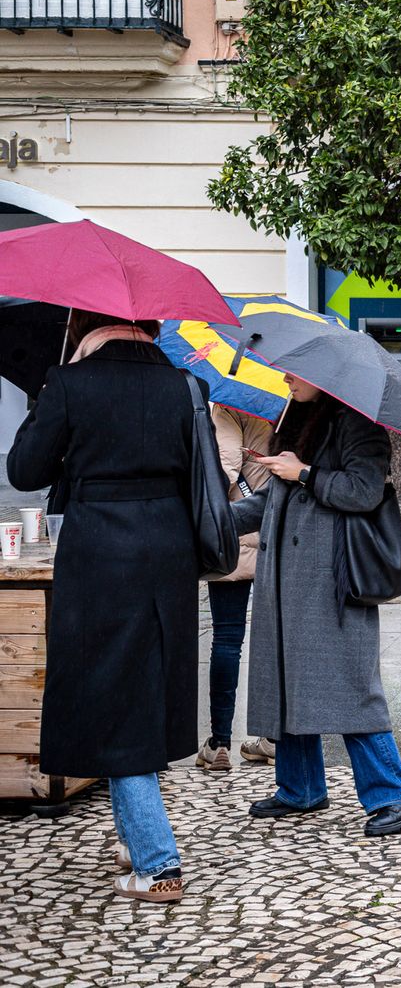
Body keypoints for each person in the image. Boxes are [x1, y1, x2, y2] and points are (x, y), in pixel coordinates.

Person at [7, 311, 205, 902]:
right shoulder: (182, 383)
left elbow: (24, 471)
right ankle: (131, 838)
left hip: (101, 552)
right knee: (146, 685)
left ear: (86, 324)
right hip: (169, 547)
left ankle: (156, 860)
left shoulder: (71, 382)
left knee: (112, 694)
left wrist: (47, 400)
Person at [234, 375, 401, 838]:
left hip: (332, 576)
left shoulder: (356, 423)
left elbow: (364, 490)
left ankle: (395, 793)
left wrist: (302, 472)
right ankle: (299, 787)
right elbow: (272, 497)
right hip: (289, 574)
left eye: (294, 374)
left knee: (345, 682)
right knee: (291, 677)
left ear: (323, 377)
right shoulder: (297, 417)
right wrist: (212, 520)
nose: (285, 379)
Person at [197, 404, 276, 771]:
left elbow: (225, 470)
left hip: (239, 537)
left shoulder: (234, 404)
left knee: (227, 639)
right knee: (275, 639)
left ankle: (220, 743)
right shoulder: (291, 402)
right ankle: (273, 737)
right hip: (280, 536)